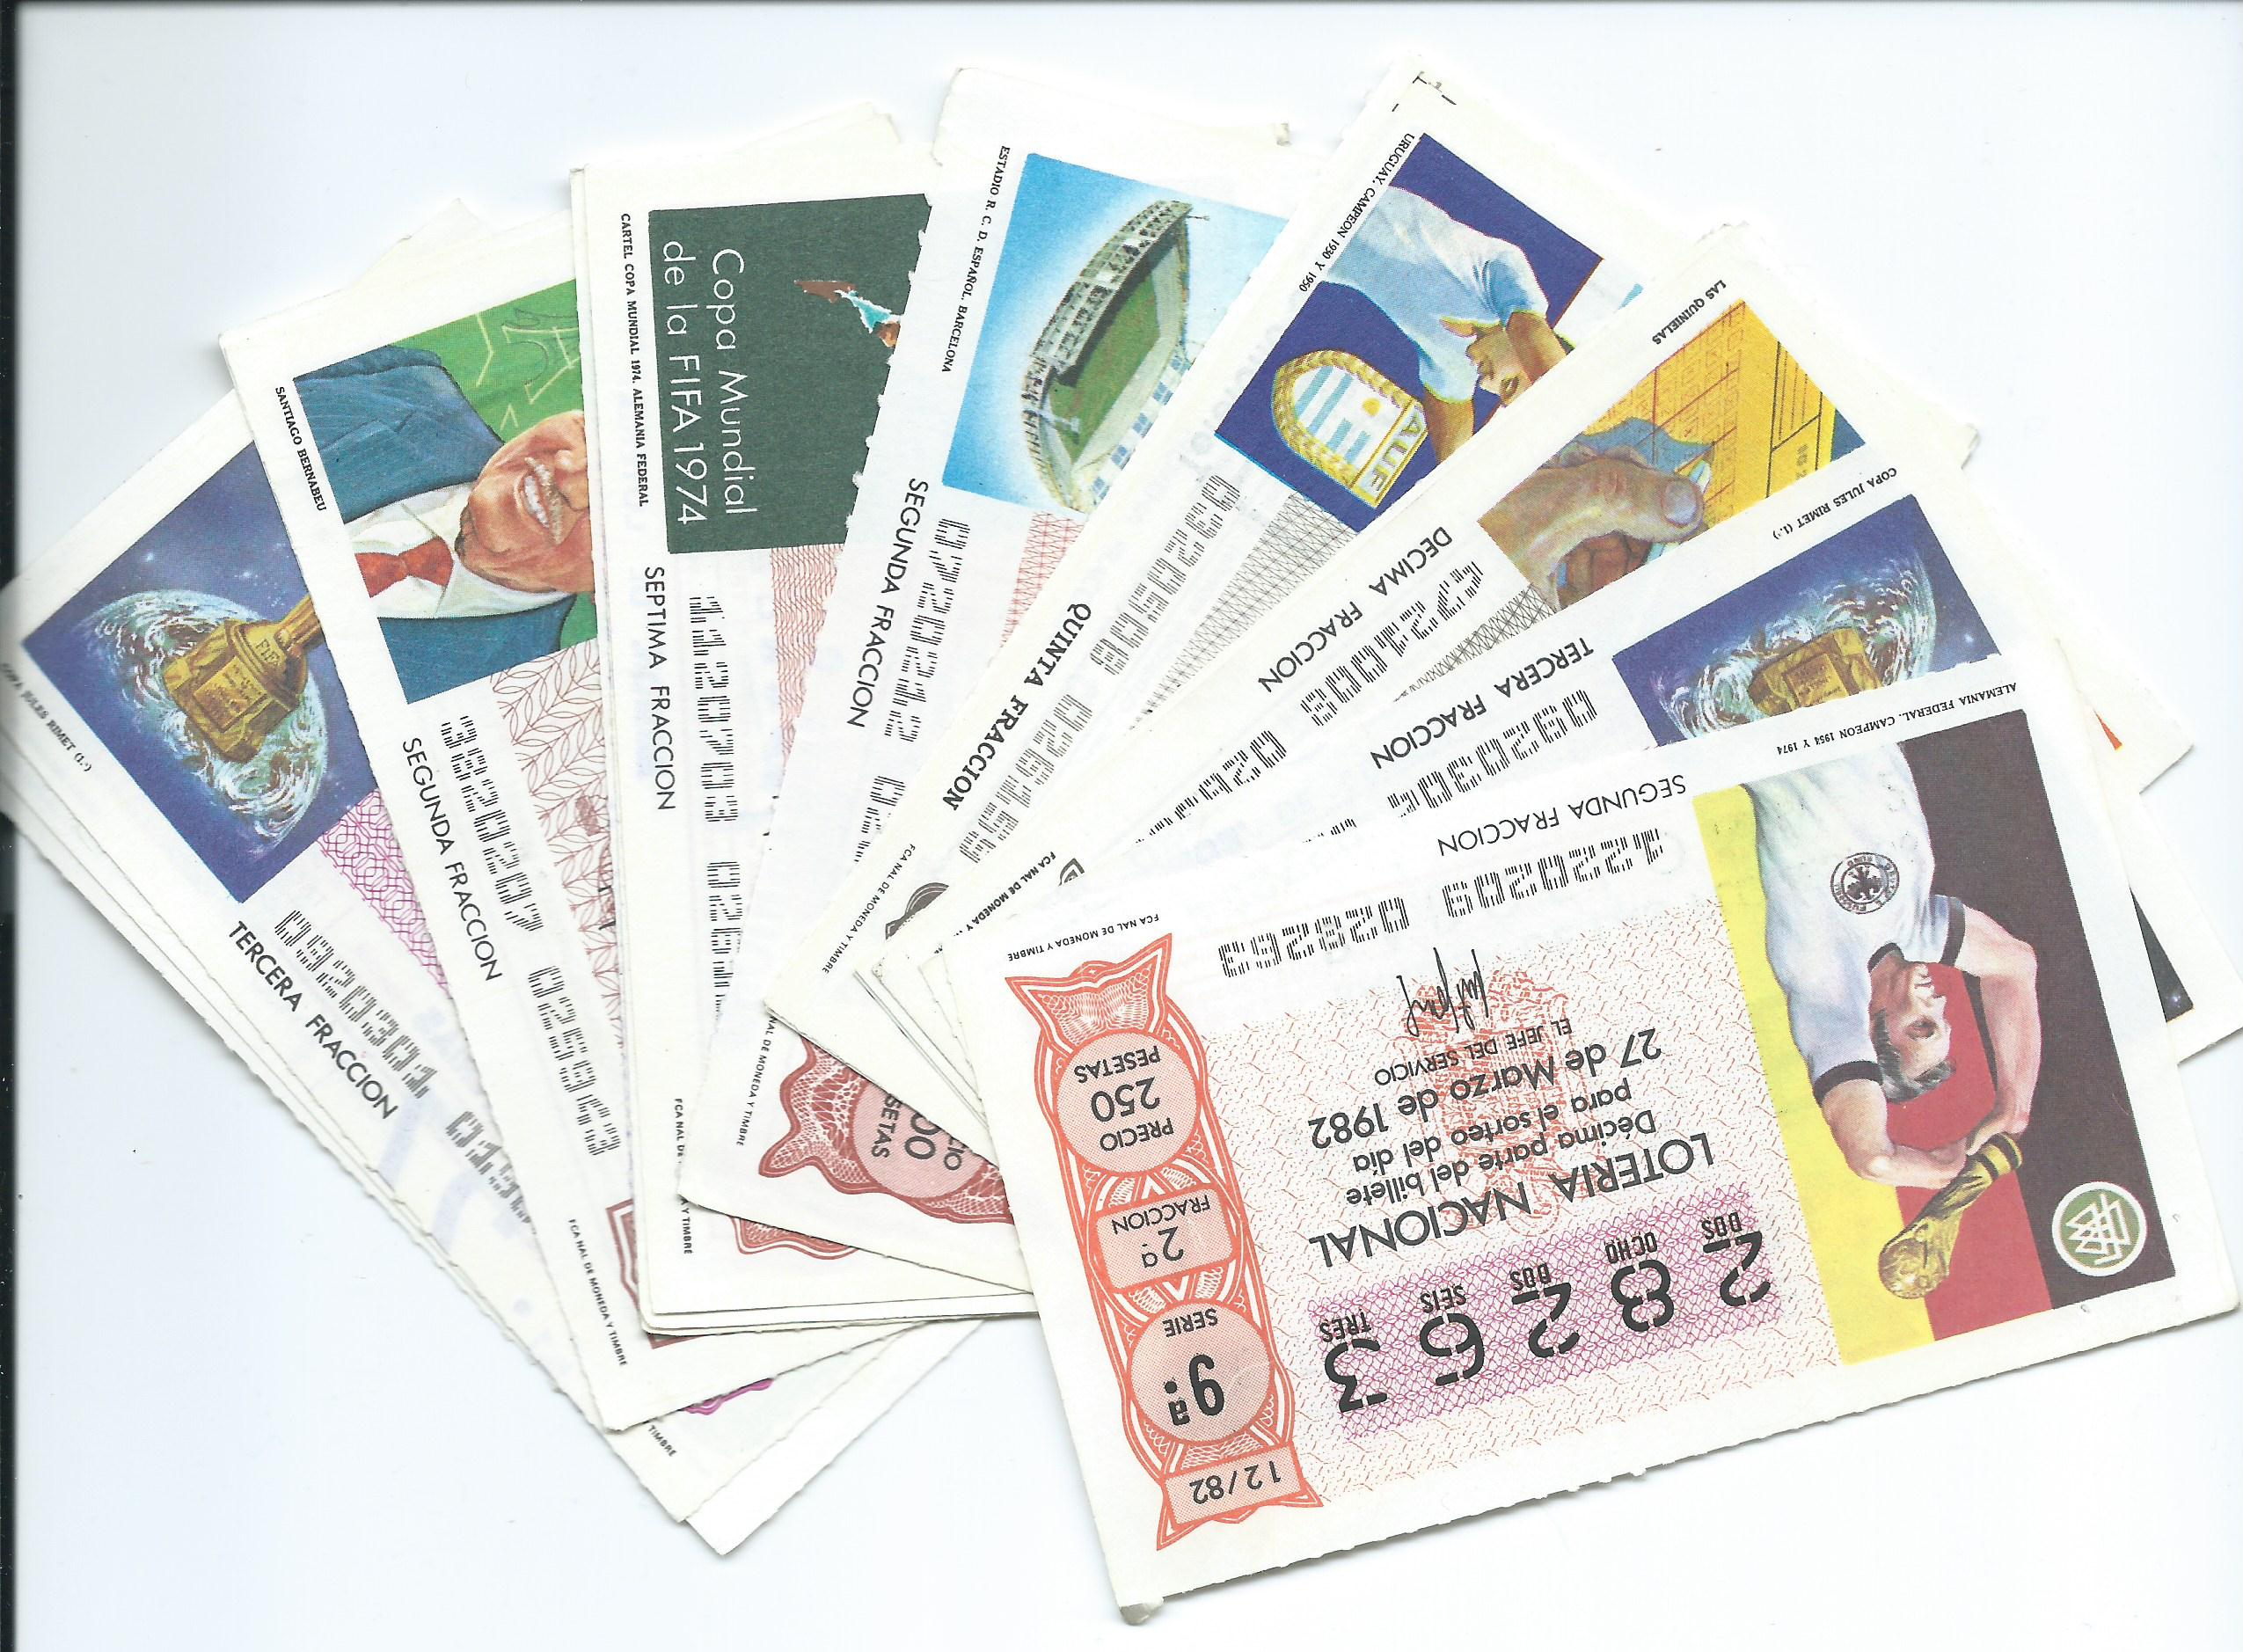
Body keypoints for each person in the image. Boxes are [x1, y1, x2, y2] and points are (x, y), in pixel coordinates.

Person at [1745, 743, 2040, 1189]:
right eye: (1941, 1019)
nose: (1938, 1001)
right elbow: (2015, 967)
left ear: (1866, 1037)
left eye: (1922, 1026)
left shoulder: (1827, 978)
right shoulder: (1917, 930)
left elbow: (1874, 1161)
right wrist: (2013, 1106)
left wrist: (1944, 1169)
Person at [298, 347, 592, 700]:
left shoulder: (510, 693)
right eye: (597, 433)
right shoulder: (399, 380)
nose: (570, 468)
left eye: (614, 503)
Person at [1326, 186, 1568, 460]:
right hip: (1343, 195)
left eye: (1500, 393)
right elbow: (1530, 331)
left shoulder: (1462, 362)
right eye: (1509, 383)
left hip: (1312, 251)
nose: (1486, 385)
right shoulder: (1505, 278)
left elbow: (1453, 447)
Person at [795, 279, 902, 348]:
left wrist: (846, 296)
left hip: (892, 323)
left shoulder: (867, 311)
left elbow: (859, 303)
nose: (880, 335)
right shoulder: (866, 315)